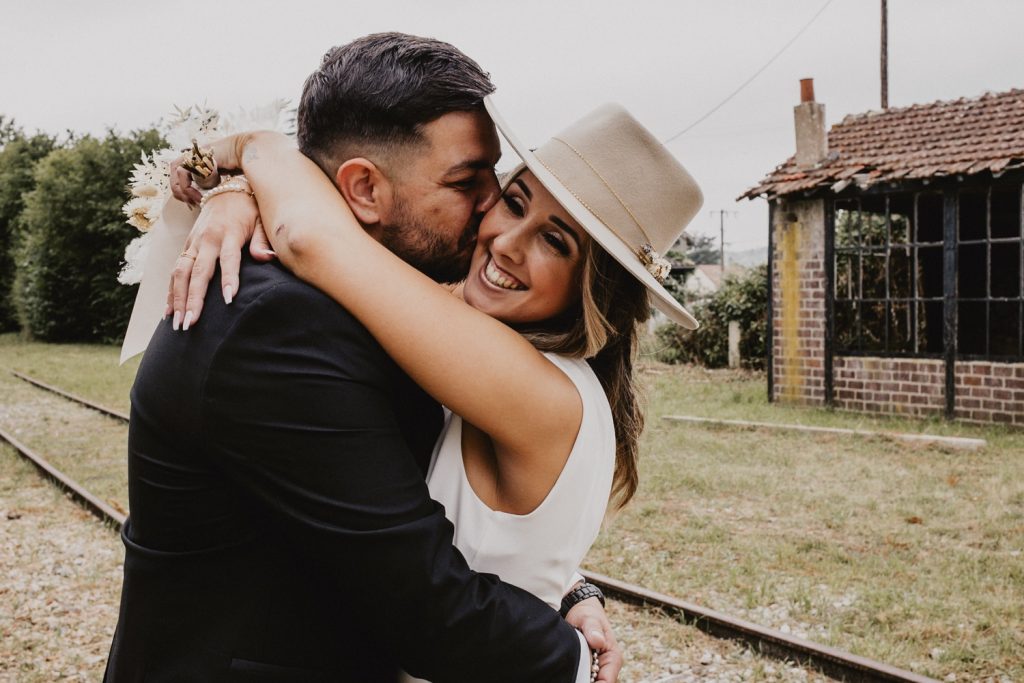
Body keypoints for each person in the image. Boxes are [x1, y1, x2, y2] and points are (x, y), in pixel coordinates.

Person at [106, 33, 617, 683]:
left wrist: (566, 587)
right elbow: (428, 606)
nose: (492, 205)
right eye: (467, 180)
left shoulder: (390, 300)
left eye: (498, 175)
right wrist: (575, 660)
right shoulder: (278, 322)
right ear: (365, 190)